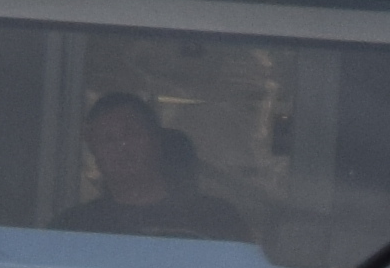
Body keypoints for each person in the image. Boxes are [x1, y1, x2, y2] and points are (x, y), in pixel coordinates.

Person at [66, 91, 253, 241]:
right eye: (108, 139)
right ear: (94, 153)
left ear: (156, 140)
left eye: (131, 134)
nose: (121, 147)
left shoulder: (216, 219)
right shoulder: (74, 226)